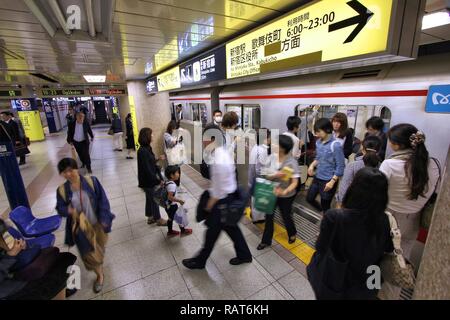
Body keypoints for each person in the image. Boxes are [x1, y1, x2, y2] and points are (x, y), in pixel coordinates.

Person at [307, 167, 394, 300]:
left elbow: (320, 248)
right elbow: (388, 249)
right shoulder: (386, 220)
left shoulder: (334, 217)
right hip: (370, 281)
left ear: (355, 188)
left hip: (337, 280)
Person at [182, 112, 252, 269]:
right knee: (231, 228)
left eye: (205, 139)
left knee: (212, 233)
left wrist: (208, 206)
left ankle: (200, 261)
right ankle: (245, 255)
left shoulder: (218, 158)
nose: (203, 142)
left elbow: (218, 190)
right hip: (229, 197)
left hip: (222, 202)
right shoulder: (222, 153)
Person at [378, 124, 439, 300]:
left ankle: (371, 288)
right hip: (414, 221)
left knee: (377, 257)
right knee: (399, 263)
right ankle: (390, 296)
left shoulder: (390, 164)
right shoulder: (433, 163)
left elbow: (377, 192)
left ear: (396, 144)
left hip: (388, 218)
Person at [55, 158, 115, 294]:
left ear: (77, 168)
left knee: (100, 247)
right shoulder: (62, 190)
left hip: (98, 224)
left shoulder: (91, 181)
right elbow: (60, 208)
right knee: (90, 254)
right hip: (81, 229)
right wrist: (67, 210)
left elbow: (103, 201)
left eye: (71, 170)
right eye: (64, 172)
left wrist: (104, 220)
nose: (68, 174)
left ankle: (99, 260)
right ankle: (100, 275)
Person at [0, 219, 78, 300]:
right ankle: (57, 290)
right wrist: (10, 255)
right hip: (11, 289)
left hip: (14, 275)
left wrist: (18, 249)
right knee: (55, 273)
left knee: (59, 262)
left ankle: (60, 290)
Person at [257, 134, 300, 250]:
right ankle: (266, 241)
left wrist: (284, 191)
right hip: (272, 192)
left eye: (276, 143)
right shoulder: (271, 157)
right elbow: (264, 174)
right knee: (269, 216)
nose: (273, 144)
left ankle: (292, 233)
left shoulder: (292, 162)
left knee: (286, 215)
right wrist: (275, 175)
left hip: (287, 195)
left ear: (283, 148)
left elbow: (295, 183)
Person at [307, 118, 345, 213]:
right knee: (309, 198)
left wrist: (332, 181)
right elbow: (318, 158)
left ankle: (326, 218)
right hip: (318, 177)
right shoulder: (318, 142)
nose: (317, 134)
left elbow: (341, 166)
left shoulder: (335, 145)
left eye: (319, 131)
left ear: (327, 129)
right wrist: (312, 165)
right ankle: (322, 213)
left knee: (325, 204)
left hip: (328, 179)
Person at [336, 135, 382, 206]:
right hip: (370, 205)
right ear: (378, 151)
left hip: (352, 203)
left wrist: (341, 202)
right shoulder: (382, 166)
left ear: (363, 149)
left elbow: (344, 187)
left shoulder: (353, 165)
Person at [137, 127, 167, 226]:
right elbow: (147, 169)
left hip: (147, 180)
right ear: (147, 136)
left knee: (149, 198)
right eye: (151, 134)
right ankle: (158, 219)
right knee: (154, 199)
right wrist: (158, 181)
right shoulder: (142, 151)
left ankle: (150, 217)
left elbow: (150, 163)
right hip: (148, 180)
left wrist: (158, 159)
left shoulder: (147, 148)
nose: (153, 135)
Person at [248, 128, 271, 224]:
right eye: (270, 137)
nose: (271, 139)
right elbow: (260, 169)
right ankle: (258, 219)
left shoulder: (255, 148)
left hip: (253, 179)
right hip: (259, 179)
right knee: (260, 200)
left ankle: (255, 216)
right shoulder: (263, 150)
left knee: (255, 199)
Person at [164, 165, 193, 237]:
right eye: (177, 172)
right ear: (172, 175)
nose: (179, 174)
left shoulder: (168, 182)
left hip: (167, 205)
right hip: (172, 206)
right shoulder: (172, 185)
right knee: (179, 217)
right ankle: (183, 231)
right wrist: (179, 201)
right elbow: (170, 197)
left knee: (170, 218)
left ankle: (170, 231)